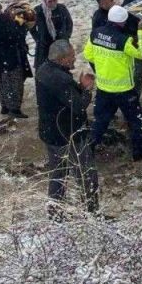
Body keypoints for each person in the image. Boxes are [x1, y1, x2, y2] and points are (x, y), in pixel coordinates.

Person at [36, 40, 100, 216]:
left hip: (50, 132)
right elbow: (78, 106)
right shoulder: (60, 79)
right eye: (71, 56)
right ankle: (92, 212)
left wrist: (77, 87)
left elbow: (61, 97)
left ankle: (55, 212)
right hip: (68, 133)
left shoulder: (43, 70)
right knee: (86, 173)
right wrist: (87, 89)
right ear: (62, 59)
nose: (74, 59)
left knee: (58, 174)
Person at [84, 5, 142, 160]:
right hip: (124, 90)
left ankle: (88, 151)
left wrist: (104, 66)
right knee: (136, 121)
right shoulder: (124, 40)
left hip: (103, 89)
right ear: (122, 22)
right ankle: (139, 152)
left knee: (100, 122)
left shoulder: (95, 34)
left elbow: (88, 55)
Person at [0, 0, 33, 118]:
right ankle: (14, 108)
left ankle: (5, 106)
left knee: (3, 83)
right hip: (9, 59)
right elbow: (15, 35)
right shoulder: (0, 23)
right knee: (14, 83)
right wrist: (21, 25)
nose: (1, 12)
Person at [30, 0, 73, 70]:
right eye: (50, 1)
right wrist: (38, 39)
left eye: (55, 0)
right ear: (45, 1)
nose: (53, 3)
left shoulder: (61, 8)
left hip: (61, 42)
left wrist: (67, 35)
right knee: (44, 67)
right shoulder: (38, 10)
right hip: (45, 44)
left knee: (63, 65)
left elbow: (69, 23)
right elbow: (32, 27)